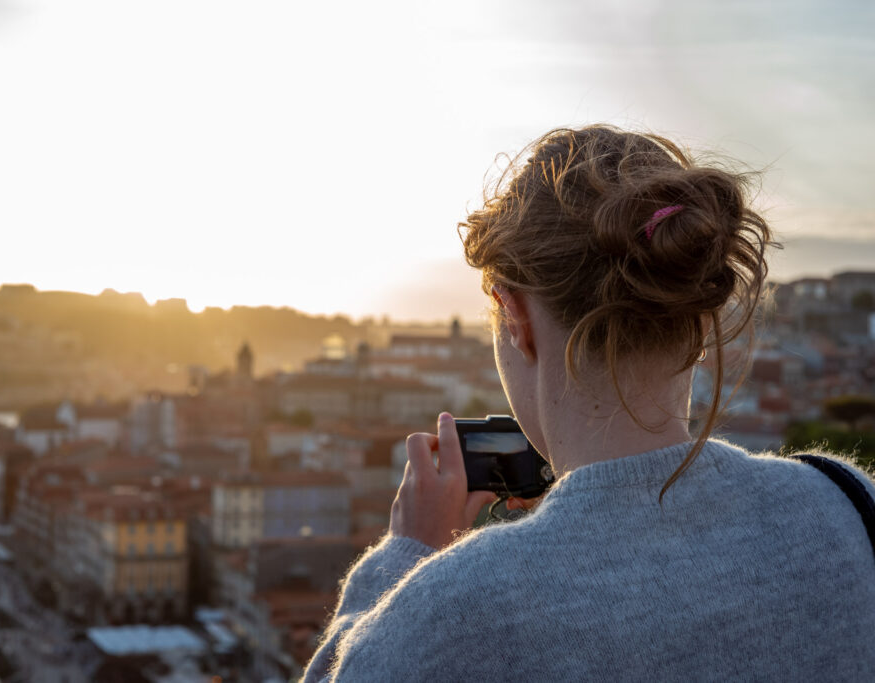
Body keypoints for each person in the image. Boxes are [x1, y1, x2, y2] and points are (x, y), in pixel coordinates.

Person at [304, 125, 875, 681]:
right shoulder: (849, 502)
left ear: (515, 317)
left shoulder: (446, 616)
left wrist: (402, 560)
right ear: (700, 318)